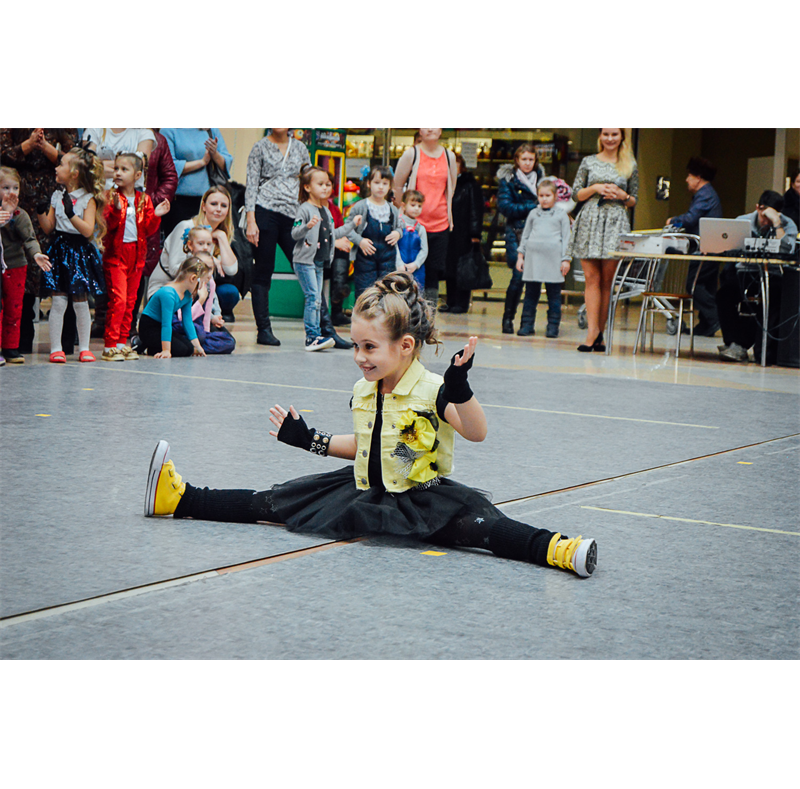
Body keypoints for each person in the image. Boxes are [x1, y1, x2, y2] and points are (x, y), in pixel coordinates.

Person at [144, 271, 598, 579]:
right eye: (356, 345)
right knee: (272, 501)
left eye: (369, 347)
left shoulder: (433, 390)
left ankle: (560, 548)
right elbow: (368, 445)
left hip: (423, 498)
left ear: (405, 346)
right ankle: (181, 498)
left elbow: (476, 432)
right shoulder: (366, 389)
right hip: (363, 489)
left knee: (484, 529)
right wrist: (311, 440)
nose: (359, 356)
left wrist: (460, 388)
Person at [0, 128, 78, 353]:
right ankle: (17, 343)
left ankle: (64, 342)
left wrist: (46, 148)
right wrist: (28, 145)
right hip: (17, 194)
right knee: (20, 275)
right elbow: (3, 155)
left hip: (53, 196)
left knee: (59, 271)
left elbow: (74, 159)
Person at [567, 128, 639, 352]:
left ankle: (601, 333)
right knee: (591, 278)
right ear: (600, 136)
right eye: (606, 134)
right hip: (590, 219)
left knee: (608, 281)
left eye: (614, 134)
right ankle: (592, 333)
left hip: (615, 221)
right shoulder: (588, 161)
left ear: (621, 137)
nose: (610, 138)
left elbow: (634, 199)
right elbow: (575, 193)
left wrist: (623, 195)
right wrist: (594, 188)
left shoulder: (630, 164)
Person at [36, 147, 107, 364]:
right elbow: (49, 227)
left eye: (62, 165)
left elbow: (87, 230)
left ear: (74, 173)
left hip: (79, 253)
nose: (57, 168)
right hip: (60, 250)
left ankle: (84, 348)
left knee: (80, 302)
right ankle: (56, 348)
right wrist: (40, 212)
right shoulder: (57, 195)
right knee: (58, 302)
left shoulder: (88, 199)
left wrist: (71, 214)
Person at [245, 128, 311, 346]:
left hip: (294, 214)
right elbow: (251, 184)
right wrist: (251, 220)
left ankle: (325, 328)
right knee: (263, 271)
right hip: (265, 211)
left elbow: (308, 182)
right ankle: (263, 330)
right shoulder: (259, 147)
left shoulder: (300, 147)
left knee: (306, 266)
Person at [101, 152, 170, 362]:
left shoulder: (143, 200)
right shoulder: (110, 197)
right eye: (116, 168)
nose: (118, 173)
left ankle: (122, 343)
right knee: (119, 300)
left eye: (124, 169)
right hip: (116, 256)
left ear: (137, 175)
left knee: (130, 302)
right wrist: (116, 210)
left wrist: (156, 215)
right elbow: (108, 225)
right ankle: (110, 344)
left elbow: (147, 229)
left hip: (137, 257)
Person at [716, 190, 798, 363]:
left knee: (772, 298)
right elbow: (727, 246)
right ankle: (732, 342)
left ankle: (745, 346)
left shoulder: (787, 224)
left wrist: (777, 223)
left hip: (773, 274)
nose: (765, 222)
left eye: (770, 218)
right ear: (757, 208)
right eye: (763, 216)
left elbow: (788, 250)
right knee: (724, 294)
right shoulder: (742, 221)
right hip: (745, 272)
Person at [292, 167, 361, 352]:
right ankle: (312, 337)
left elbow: (333, 234)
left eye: (328, 184)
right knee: (313, 297)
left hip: (319, 262)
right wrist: (307, 226)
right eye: (320, 184)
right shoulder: (304, 209)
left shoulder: (327, 211)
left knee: (316, 300)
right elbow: (295, 233)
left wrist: (351, 225)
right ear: (307, 187)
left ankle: (316, 335)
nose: (325, 187)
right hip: (304, 261)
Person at [393, 129, 458, 305]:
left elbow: (451, 187)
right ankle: (408, 309)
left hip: (440, 224)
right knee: (410, 268)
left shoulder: (449, 156)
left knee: (434, 272)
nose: (430, 129)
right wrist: (404, 212)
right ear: (419, 131)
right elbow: (397, 186)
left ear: (441, 131)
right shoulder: (411, 154)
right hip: (414, 226)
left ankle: (429, 313)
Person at [148, 186, 237, 300]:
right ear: (203, 206)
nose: (219, 209)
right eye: (214, 204)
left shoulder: (219, 235)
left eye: (224, 206)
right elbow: (174, 270)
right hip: (166, 289)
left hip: (196, 289)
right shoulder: (186, 227)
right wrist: (209, 260)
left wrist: (222, 237)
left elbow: (231, 270)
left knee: (229, 293)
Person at [668, 156, 723, 336]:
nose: (687, 180)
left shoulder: (704, 195)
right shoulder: (709, 194)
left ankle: (715, 318)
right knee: (707, 286)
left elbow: (691, 219)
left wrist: (673, 221)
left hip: (705, 248)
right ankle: (705, 325)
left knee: (694, 284)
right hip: (712, 246)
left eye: (689, 176)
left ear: (698, 177)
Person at [0, 167, 50, 364]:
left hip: (15, 266)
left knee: (14, 308)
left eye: (15, 188)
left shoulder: (20, 215)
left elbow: (29, 238)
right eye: (5, 188)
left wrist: (36, 254)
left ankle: (10, 347)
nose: (11, 193)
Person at [497, 144, 545, 334]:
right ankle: (507, 318)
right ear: (517, 160)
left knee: (535, 279)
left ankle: (527, 323)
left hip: (540, 232)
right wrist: (533, 206)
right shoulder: (508, 180)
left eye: (531, 159)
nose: (527, 163)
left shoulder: (543, 179)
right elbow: (505, 207)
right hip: (516, 232)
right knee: (518, 276)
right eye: (524, 159)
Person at [516, 179, 572, 338]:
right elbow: (525, 235)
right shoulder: (533, 213)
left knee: (554, 296)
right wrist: (521, 256)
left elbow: (567, 238)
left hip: (553, 261)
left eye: (548, 195)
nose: (544, 199)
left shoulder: (562, 215)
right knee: (530, 294)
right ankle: (526, 324)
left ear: (555, 196)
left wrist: (566, 259)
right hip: (533, 260)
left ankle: (553, 326)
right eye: (541, 196)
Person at [159, 128, 233, 237]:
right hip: (177, 200)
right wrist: (201, 162)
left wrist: (214, 153)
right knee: (178, 241)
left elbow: (226, 162)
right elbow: (168, 165)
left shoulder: (211, 130)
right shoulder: (168, 130)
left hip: (205, 200)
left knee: (204, 241)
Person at [346, 166, 403, 301]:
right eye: (377, 182)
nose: (380, 187)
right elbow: (348, 228)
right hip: (365, 258)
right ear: (368, 183)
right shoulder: (360, 206)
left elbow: (400, 227)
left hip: (388, 258)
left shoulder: (392, 209)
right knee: (365, 293)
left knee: (386, 293)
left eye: (385, 183)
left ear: (390, 186)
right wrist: (360, 241)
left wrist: (397, 233)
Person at [139, 255, 211, 359]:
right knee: (180, 350)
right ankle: (146, 346)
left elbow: (187, 322)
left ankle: (153, 346)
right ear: (193, 278)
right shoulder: (168, 294)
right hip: (149, 328)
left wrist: (198, 346)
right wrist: (166, 350)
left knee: (189, 348)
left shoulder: (187, 295)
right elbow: (166, 323)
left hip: (161, 326)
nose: (201, 288)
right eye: (200, 283)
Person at [444, 152, 484, 313]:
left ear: (462, 166)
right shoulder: (446, 184)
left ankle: (461, 302)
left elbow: (476, 210)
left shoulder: (469, 185)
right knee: (449, 269)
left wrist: (475, 234)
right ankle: (450, 301)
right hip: (448, 232)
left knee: (463, 268)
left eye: (456, 164)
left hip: (464, 233)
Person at [396, 189, 428, 290]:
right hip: (398, 268)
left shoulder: (421, 228)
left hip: (417, 270)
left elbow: (424, 250)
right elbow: (394, 246)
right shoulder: (397, 224)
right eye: (413, 205)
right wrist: (399, 264)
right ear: (403, 206)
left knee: (416, 293)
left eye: (419, 206)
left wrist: (416, 264)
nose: (416, 209)